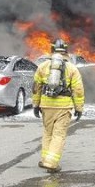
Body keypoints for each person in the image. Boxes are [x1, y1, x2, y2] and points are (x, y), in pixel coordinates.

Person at [32, 39, 85, 173]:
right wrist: (79, 108)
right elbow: (78, 90)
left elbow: (36, 88)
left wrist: (35, 105)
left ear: (52, 50)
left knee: (47, 133)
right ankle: (51, 162)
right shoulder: (72, 68)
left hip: (46, 105)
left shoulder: (42, 66)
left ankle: (45, 159)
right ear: (66, 51)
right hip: (63, 107)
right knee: (59, 135)